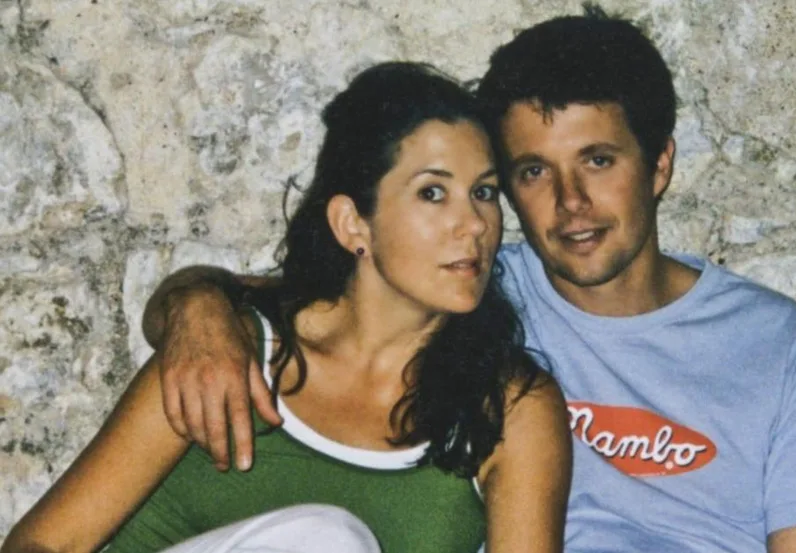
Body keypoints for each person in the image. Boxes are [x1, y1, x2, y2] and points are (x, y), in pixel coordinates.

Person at [125, 7, 796, 553]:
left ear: (659, 165)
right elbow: (273, 297)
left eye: (598, 160)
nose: (570, 203)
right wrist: (196, 306)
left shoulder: (781, 347)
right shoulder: (471, 287)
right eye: (534, 173)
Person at [1, 62, 571, 553]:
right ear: (353, 223)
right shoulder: (230, 347)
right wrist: (195, 305)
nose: (474, 224)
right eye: (432, 192)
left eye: (485, 192)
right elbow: (45, 542)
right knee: (326, 541)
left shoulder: (512, 407)